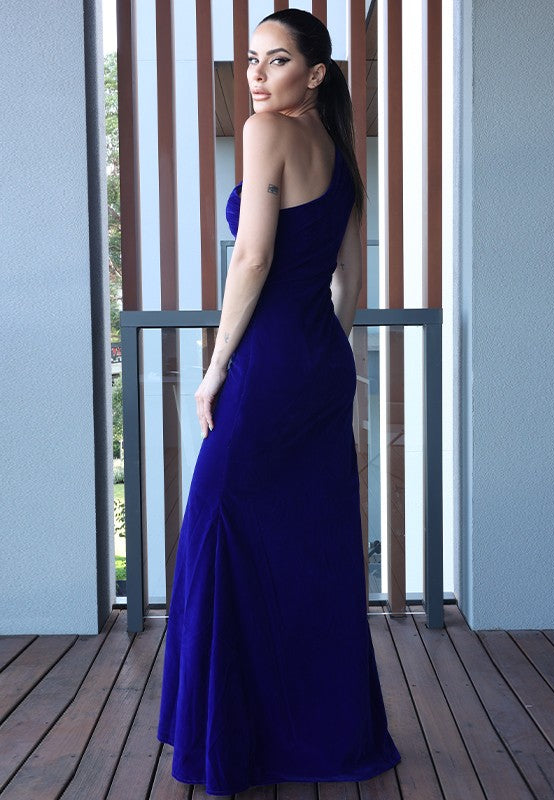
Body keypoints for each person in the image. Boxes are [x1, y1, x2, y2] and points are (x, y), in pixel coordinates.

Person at [156, 8, 402, 795]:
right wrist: (320, 352)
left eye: (278, 60)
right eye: (253, 59)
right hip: (319, 361)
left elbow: (252, 256)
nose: (258, 76)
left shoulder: (267, 133)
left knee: (219, 526)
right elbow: (351, 281)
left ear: (316, 73)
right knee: (310, 544)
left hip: (266, 362)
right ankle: (321, 731)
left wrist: (215, 366)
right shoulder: (340, 151)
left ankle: (234, 737)